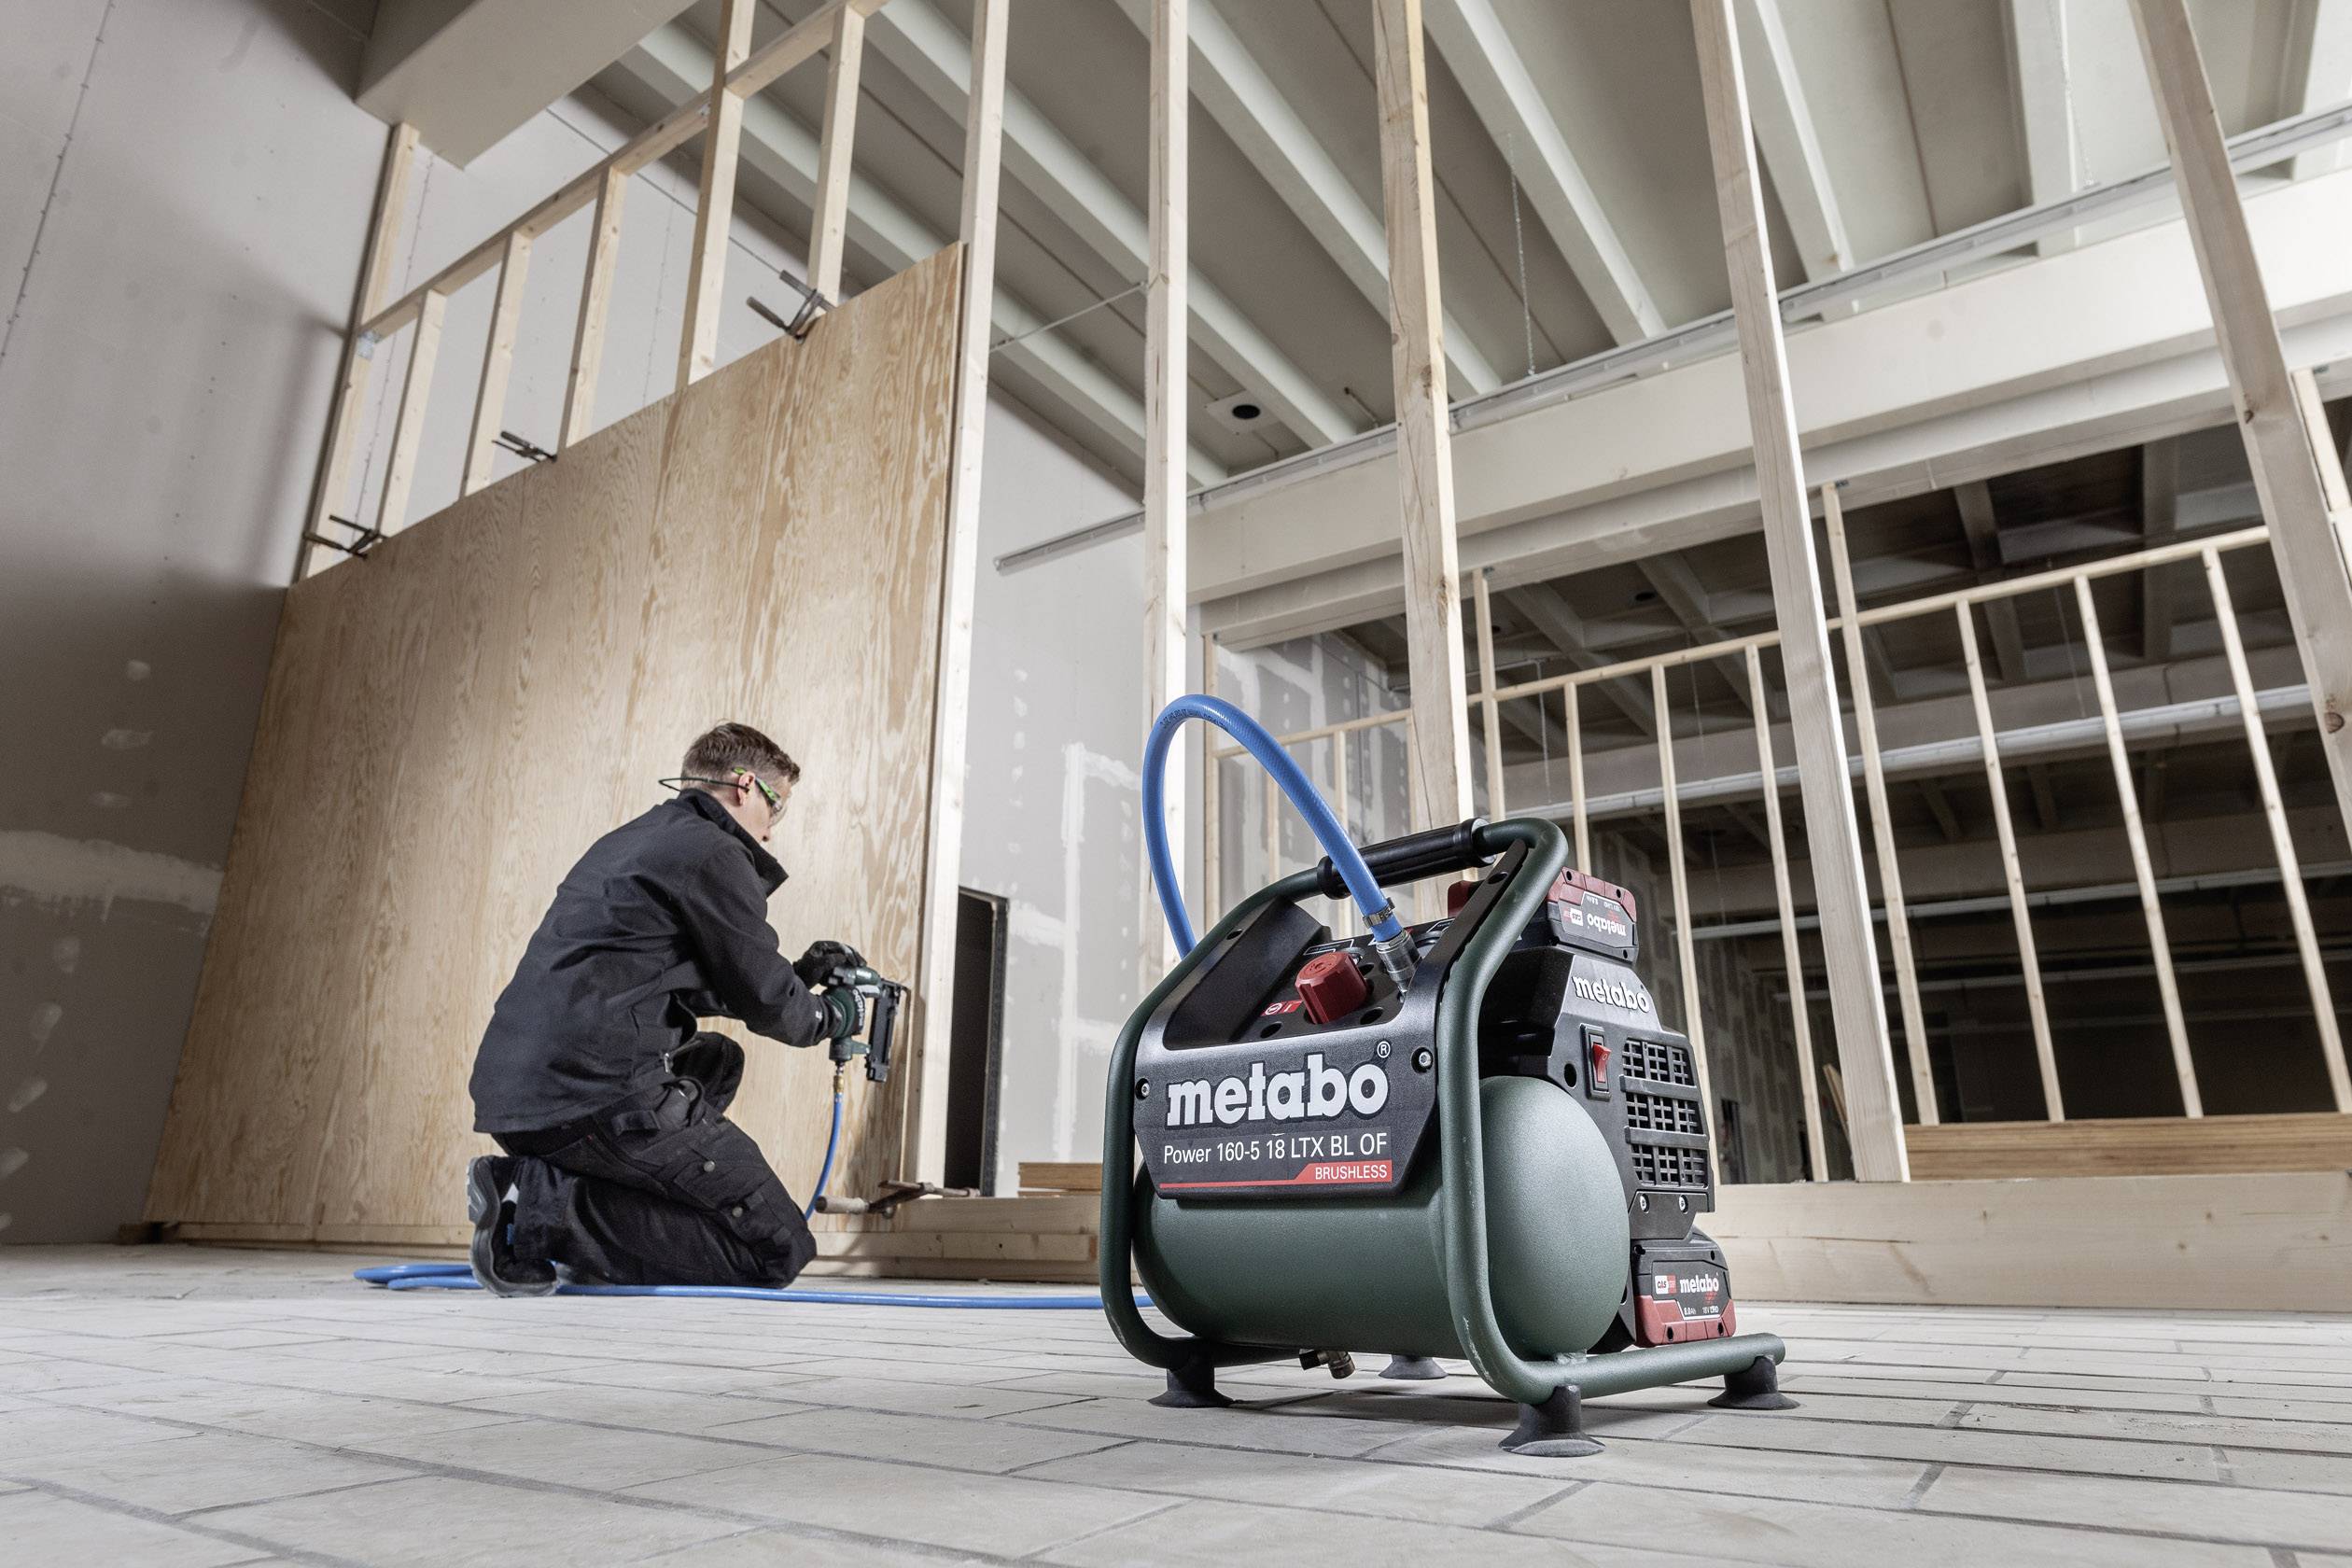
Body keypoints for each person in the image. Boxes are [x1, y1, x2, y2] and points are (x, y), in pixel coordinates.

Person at [463, 722, 864, 1295]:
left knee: (715, 1060)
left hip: (521, 1093)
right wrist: (833, 1017)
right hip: (589, 1096)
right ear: (745, 786)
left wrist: (797, 978)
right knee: (777, 1250)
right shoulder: (716, 852)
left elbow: (682, 980)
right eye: (776, 812)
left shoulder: (636, 839)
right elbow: (769, 1003)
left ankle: (570, 1211)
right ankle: (535, 1205)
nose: (771, 835)